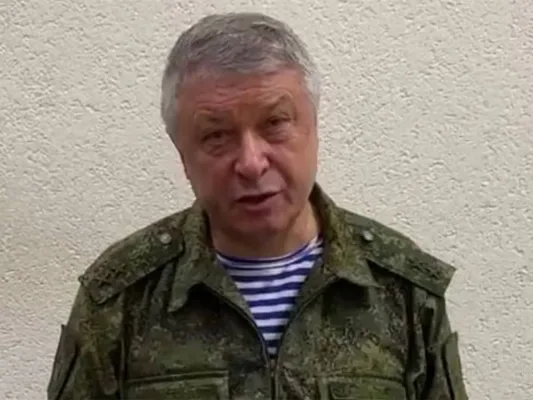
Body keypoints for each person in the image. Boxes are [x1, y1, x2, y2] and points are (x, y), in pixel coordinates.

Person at [47, 12, 469, 400]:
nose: (251, 163)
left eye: (275, 123)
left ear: (314, 128)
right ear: (183, 156)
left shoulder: (403, 290)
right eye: (216, 136)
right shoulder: (121, 300)